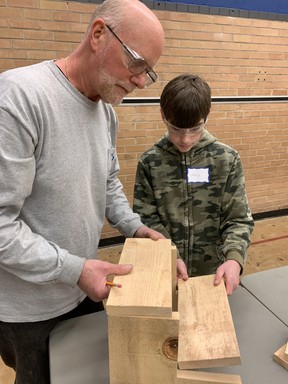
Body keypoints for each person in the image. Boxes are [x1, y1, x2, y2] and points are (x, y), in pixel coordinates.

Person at [0, 1, 187, 383]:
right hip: (29, 308)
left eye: (148, 73)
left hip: (86, 288)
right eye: (137, 63)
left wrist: (136, 228)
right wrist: (76, 268)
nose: (139, 81)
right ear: (99, 34)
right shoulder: (18, 99)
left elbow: (106, 183)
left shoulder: (106, 113)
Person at [133, 73, 254, 295]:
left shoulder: (226, 159)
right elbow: (145, 220)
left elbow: (238, 219)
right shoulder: (150, 162)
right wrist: (170, 254)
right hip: (166, 272)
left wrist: (235, 259)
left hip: (214, 276)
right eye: (177, 129)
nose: (185, 139)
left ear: (206, 117)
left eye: (195, 129)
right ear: (163, 116)